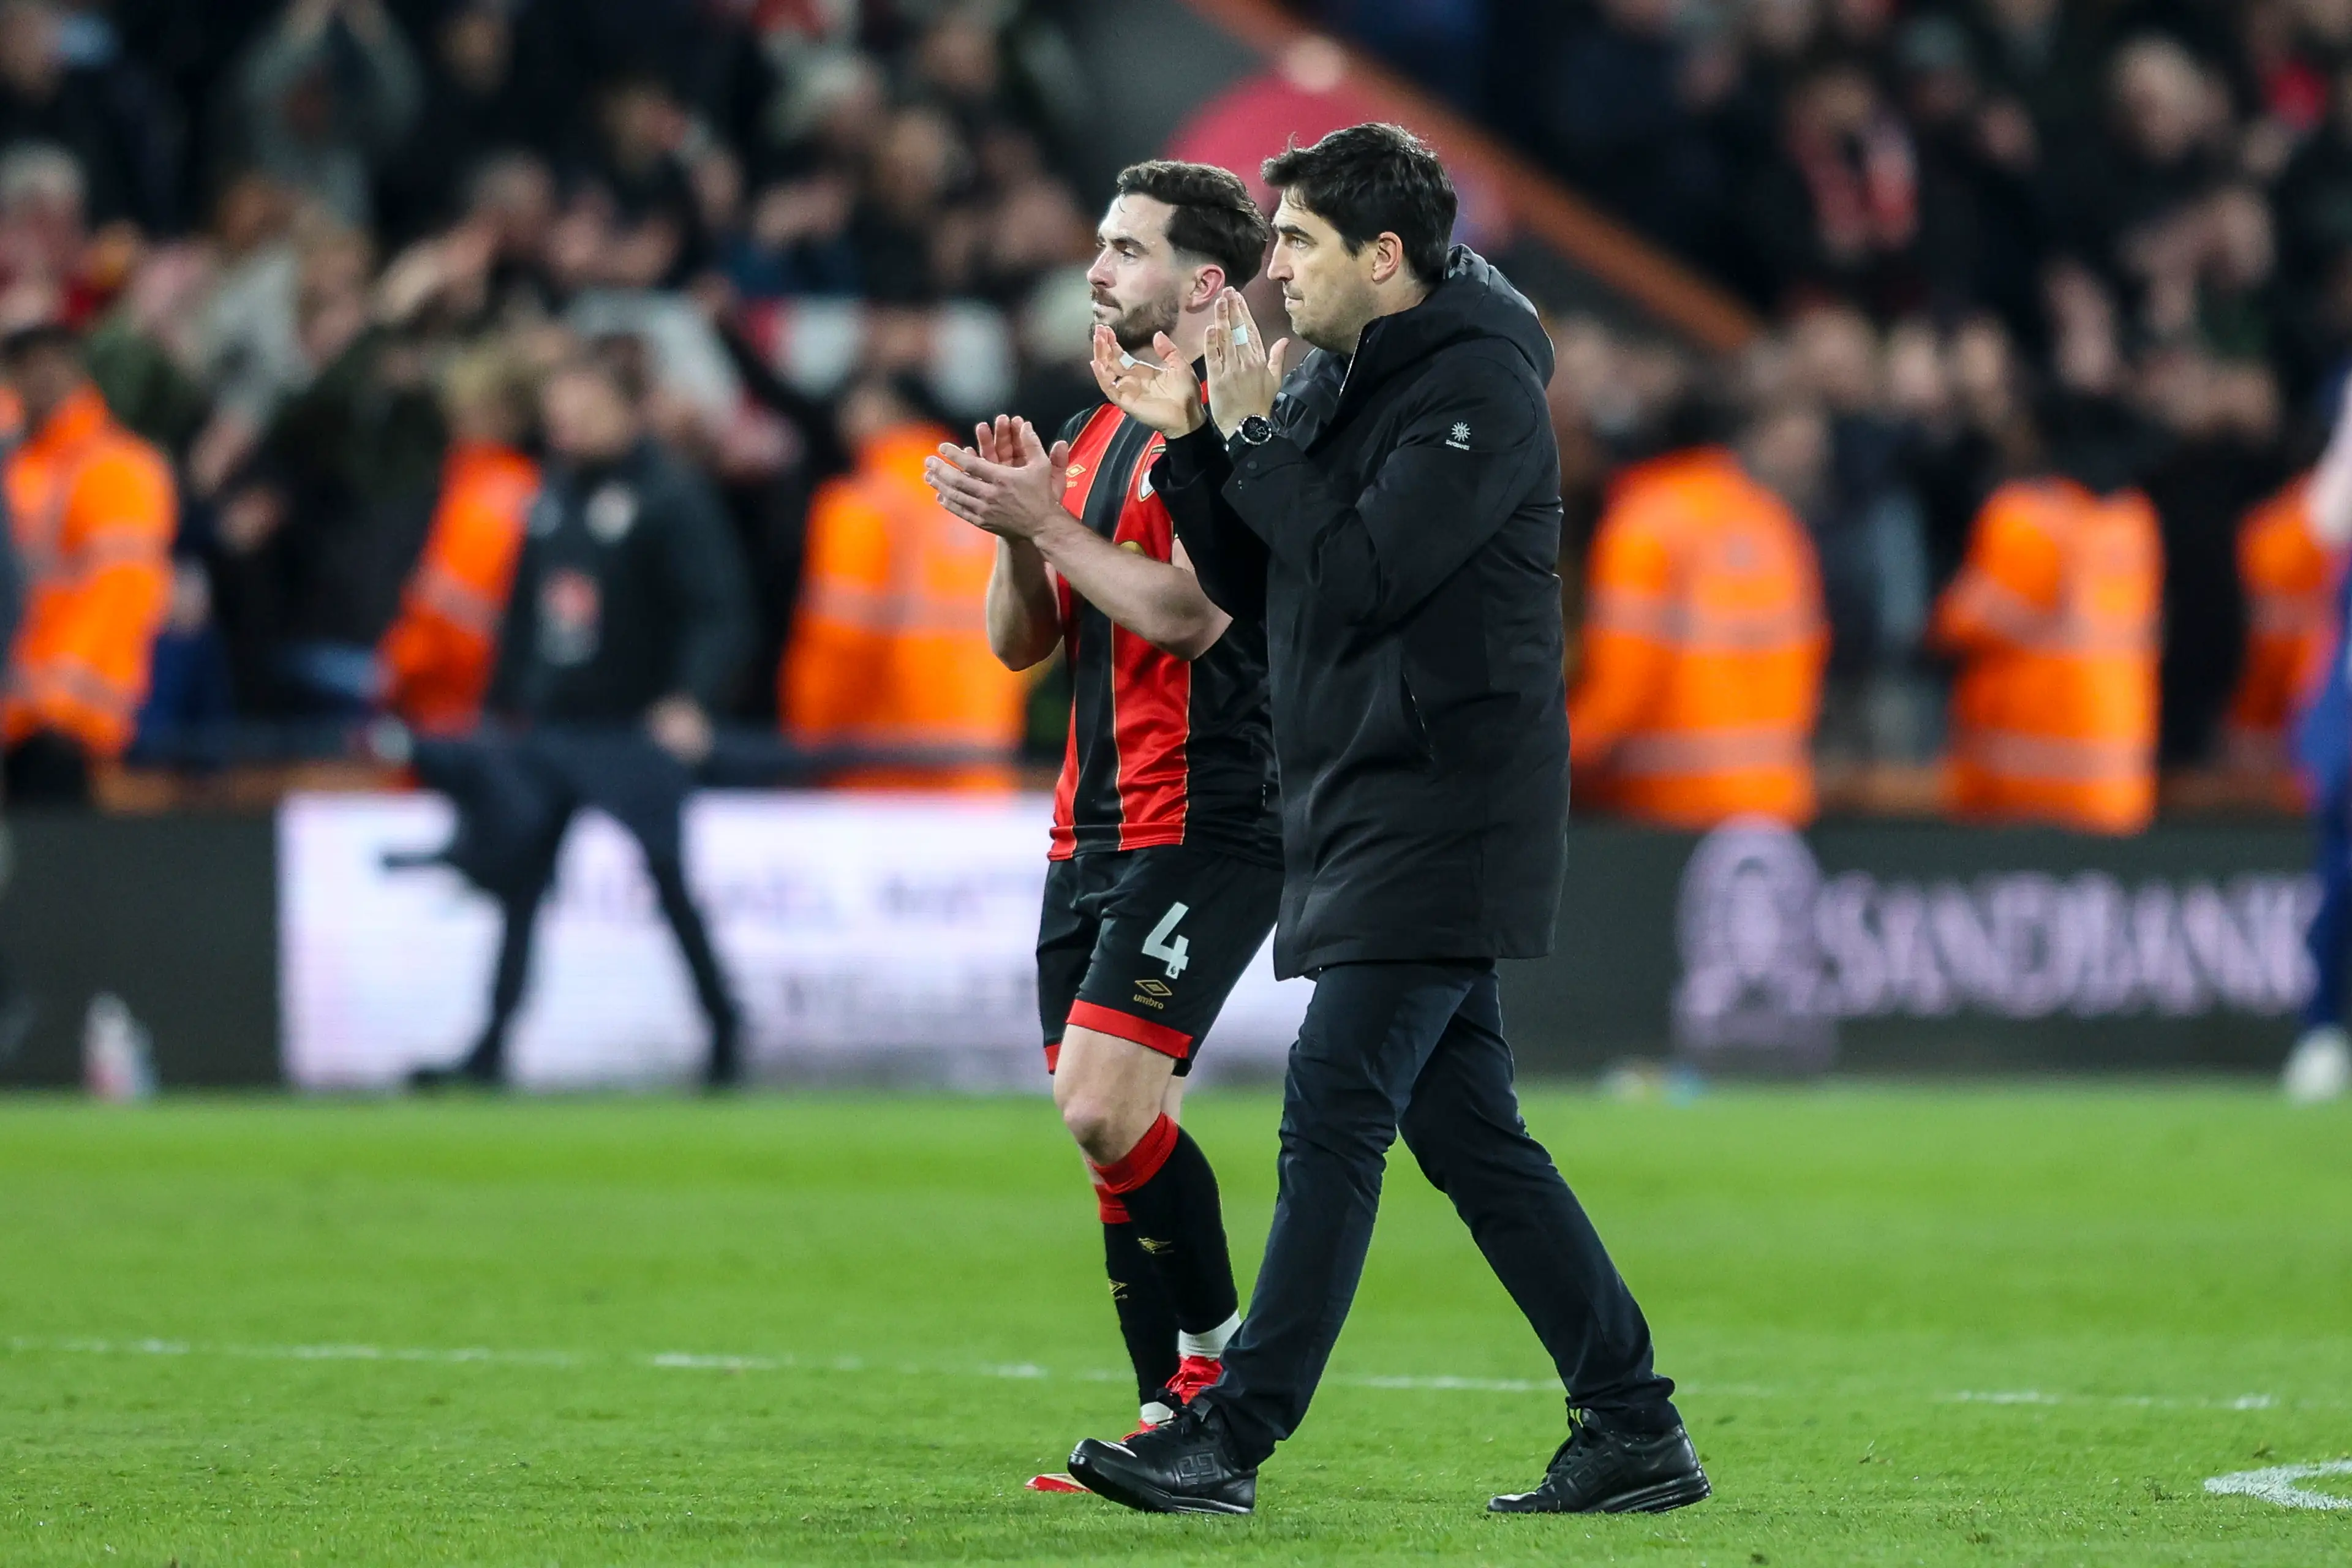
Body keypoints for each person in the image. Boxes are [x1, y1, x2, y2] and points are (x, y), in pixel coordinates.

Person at [1069, 124, 1705, 1517]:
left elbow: (1358, 575)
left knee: (1333, 1104)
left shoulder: (1476, 385)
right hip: (1355, 788)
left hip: (1446, 800)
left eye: (1293, 241)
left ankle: (1228, 1432)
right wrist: (1192, 436)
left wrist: (1243, 426)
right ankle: (1629, 1422)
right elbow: (1255, 570)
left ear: (1382, 255)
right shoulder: (1342, 374)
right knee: (1469, 1133)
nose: (1273, 269)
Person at [920, 160, 1282, 1480]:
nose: (1097, 267)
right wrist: (1022, 531)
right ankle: (1160, 1419)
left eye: (1126, 248)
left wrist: (1047, 528)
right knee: (1112, 1135)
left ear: (1200, 283)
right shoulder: (1092, 428)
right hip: (1090, 828)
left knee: (1099, 1103)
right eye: (1099, 241)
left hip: (1211, 811)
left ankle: (1222, 1393)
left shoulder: (1237, 422)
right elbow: (1025, 643)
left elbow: (1194, 612)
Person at [406, 352, 752, 1090]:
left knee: (667, 880)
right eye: (560, 410)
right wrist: (504, 705)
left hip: (632, 729)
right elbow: (526, 613)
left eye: (584, 409)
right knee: (522, 880)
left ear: (628, 410)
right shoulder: (553, 494)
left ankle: (724, 1031)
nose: (566, 425)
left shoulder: (670, 497)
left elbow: (719, 612)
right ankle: (491, 1044)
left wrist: (691, 700)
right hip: (553, 725)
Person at [1568, 413, 1831, 826]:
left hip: (1672, 805)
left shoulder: (1644, 525)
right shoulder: (1772, 520)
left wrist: (1557, 754)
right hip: (1778, 799)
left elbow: (1622, 688)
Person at [781, 377, 1027, 790]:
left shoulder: (861, 505)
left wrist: (808, 746)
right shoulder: (992, 500)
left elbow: (840, 644)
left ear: (879, 413)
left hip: (883, 766)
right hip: (982, 760)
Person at [1929, 466, 2163, 834]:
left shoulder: (2028, 521)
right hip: (2116, 791)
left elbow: (1959, 623)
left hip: (2023, 790)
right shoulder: (2131, 520)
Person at [0, 320, 175, 806]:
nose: (33, 381)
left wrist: (57, 701)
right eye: (21, 368)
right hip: (20, 710)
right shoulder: (20, 463)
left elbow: (120, 597)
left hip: (64, 720)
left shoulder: (118, 469)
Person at [377, 347, 538, 734]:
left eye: (472, 409)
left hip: (478, 690)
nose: (460, 422)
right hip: (420, 683)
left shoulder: (520, 490)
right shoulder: (451, 478)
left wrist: (447, 602)